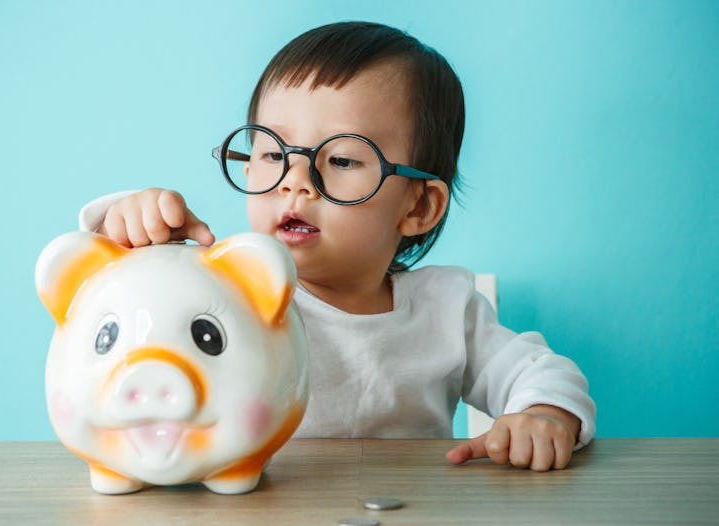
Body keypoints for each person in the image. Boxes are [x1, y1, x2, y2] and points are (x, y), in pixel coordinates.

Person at [78, 21, 595, 472]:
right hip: (260, 519)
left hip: (409, 521)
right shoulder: (229, 290)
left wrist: (543, 416)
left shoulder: (447, 308)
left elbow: (543, 373)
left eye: (343, 160)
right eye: (272, 152)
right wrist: (136, 226)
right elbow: (133, 303)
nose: (295, 181)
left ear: (418, 208)